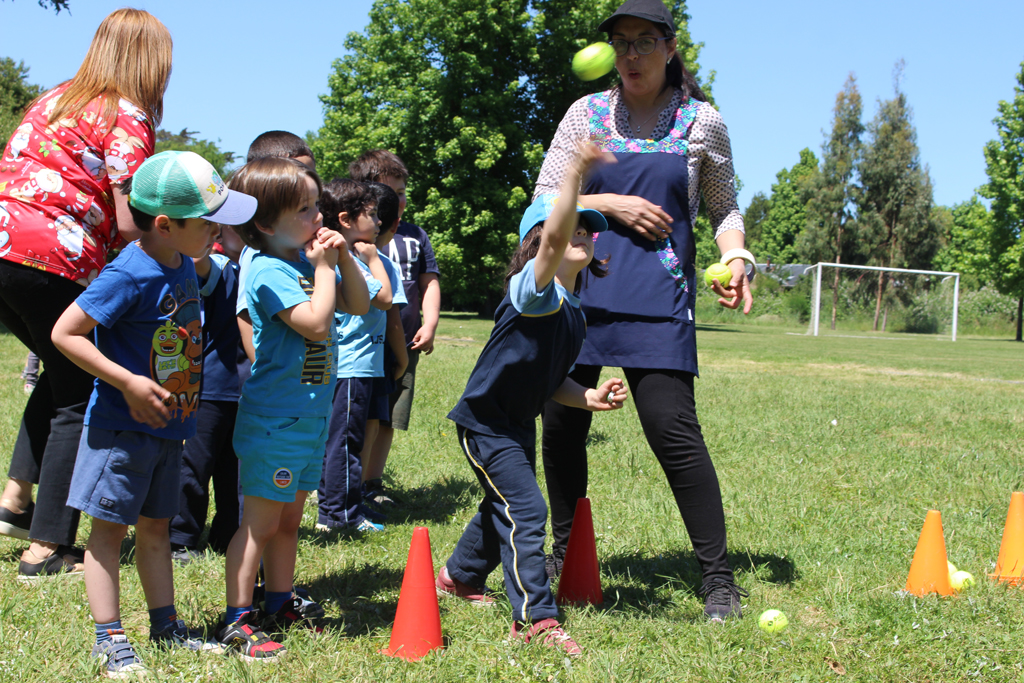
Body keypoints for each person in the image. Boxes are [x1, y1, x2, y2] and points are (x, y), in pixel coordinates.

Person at [534, 0, 754, 622]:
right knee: (562, 426)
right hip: (578, 292)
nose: (630, 55)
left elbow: (724, 208)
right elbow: (545, 199)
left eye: (644, 42)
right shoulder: (585, 114)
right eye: (621, 43)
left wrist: (737, 258)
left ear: (670, 47)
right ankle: (562, 554)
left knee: (672, 431)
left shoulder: (702, 122)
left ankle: (718, 581)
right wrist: (610, 203)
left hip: (660, 299)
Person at [51, 150, 257, 676]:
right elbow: (65, 333)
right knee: (108, 534)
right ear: (165, 225)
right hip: (122, 430)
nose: (217, 230)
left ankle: (166, 627)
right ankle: (109, 639)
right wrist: (127, 381)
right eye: (207, 221)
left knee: (157, 528)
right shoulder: (129, 272)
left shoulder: (184, 262)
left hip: (169, 428)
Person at [0, 8, 171, 580]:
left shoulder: (55, 100)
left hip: (4, 247)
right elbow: (129, 220)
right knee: (81, 394)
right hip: (52, 257)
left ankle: (15, 501)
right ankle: (47, 548)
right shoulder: (128, 114)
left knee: (61, 372)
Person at [438, 145, 627, 657]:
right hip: (486, 422)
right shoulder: (533, 292)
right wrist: (575, 174)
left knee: (503, 503)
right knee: (526, 508)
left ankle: (459, 576)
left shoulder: (574, 310)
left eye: (588, 230)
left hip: (517, 423)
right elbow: (553, 243)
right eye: (570, 228)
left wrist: (587, 396)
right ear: (538, 243)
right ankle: (534, 620)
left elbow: (552, 381)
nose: (580, 235)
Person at [218, 158, 368, 661]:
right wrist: (324, 269)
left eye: (315, 205)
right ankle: (237, 619)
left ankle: (279, 603)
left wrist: (342, 260)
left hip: (308, 419)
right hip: (275, 421)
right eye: (304, 210)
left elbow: (360, 304)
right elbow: (317, 324)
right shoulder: (269, 270)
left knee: (287, 523)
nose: (317, 217)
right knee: (259, 525)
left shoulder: (307, 262)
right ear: (265, 224)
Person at [348, 150, 441, 506]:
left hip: (405, 339)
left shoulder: (415, 235)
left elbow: (429, 280)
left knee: (388, 416)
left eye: (401, 192)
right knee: (360, 414)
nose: (397, 201)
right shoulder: (357, 240)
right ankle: (348, 482)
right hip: (362, 342)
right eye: (389, 192)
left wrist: (430, 322)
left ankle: (372, 482)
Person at [315, 179, 404, 532]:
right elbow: (384, 299)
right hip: (351, 366)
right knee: (346, 442)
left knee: (343, 439)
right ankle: (341, 515)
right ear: (346, 219)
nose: (379, 221)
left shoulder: (345, 256)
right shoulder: (349, 259)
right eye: (371, 213)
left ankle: (336, 509)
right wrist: (373, 257)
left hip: (355, 366)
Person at [168, 228, 244, 564]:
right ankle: (179, 538)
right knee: (194, 466)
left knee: (235, 472)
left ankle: (228, 536)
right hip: (210, 388)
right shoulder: (220, 266)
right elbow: (195, 259)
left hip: (248, 391)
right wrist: (211, 222)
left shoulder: (265, 270)